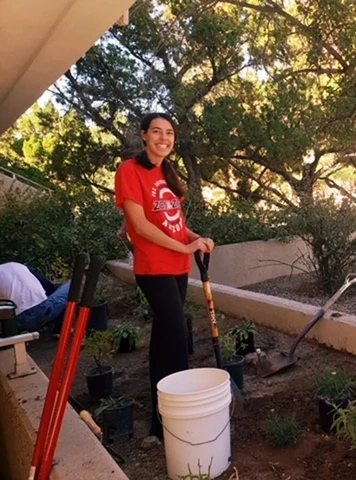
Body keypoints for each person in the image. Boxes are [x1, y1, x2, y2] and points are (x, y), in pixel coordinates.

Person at [114, 112, 214, 441]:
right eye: (156, 131)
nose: (163, 138)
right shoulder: (130, 170)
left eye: (169, 133)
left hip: (177, 267)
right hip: (154, 267)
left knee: (164, 340)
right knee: (175, 337)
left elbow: (175, 224)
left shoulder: (168, 173)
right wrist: (185, 248)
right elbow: (139, 226)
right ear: (143, 135)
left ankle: (161, 419)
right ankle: (176, 414)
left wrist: (195, 239)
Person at [0, 262, 70, 332]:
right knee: (71, 285)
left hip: (14, 323)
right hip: (39, 312)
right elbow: (49, 286)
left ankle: (57, 329)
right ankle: (60, 329)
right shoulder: (14, 265)